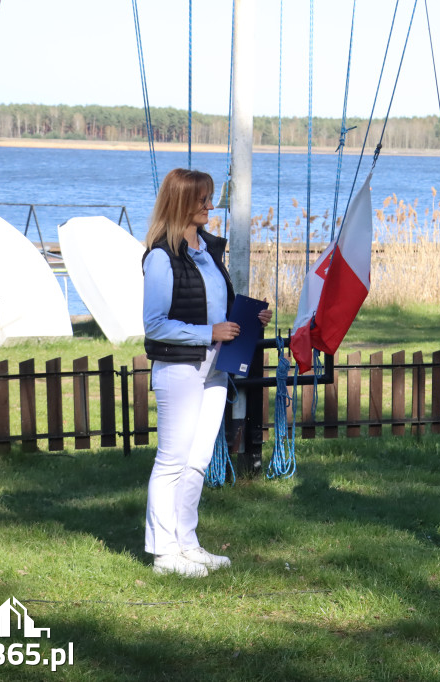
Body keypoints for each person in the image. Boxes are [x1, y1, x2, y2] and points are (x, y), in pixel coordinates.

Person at [141, 168, 272, 577]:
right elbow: (154, 323)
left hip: (217, 367)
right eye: (203, 200)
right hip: (179, 368)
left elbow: (217, 308)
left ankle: (188, 544)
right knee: (172, 460)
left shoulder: (210, 252)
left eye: (210, 198)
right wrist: (208, 333)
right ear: (182, 201)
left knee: (197, 459)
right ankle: (164, 554)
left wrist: (249, 319)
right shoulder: (161, 256)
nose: (210, 206)